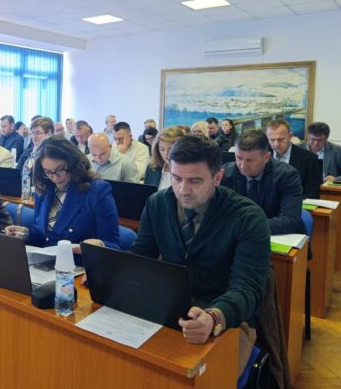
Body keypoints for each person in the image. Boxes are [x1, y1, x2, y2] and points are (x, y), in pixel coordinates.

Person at [130, 135, 269, 376]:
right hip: (169, 308)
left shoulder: (248, 217)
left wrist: (214, 317)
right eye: (176, 178)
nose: (183, 190)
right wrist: (109, 271)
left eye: (195, 180)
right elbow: (141, 256)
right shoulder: (157, 203)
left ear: (217, 177)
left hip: (227, 315)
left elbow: (248, 288)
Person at [5, 136, 120, 254]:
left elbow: (114, 246)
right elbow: (45, 238)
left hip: (78, 262)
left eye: (60, 169)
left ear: (74, 164)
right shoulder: (45, 188)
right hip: (46, 260)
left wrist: (99, 245)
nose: (54, 177)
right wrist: (26, 234)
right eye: (47, 172)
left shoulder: (96, 191)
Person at [221, 130, 304, 235]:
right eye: (239, 157)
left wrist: (244, 226)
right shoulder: (225, 172)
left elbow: (291, 220)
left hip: (275, 236)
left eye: (250, 160)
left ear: (266, 157)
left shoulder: (287, 175)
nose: (242, 165)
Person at [266, 119, 321, 199]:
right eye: (272, 140)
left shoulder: (309, 158)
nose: (276, 144)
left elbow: (312, 193)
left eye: (280, 139)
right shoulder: (261, 155)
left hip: (296, 204)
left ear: (290, 136)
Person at [144, 126, 186, 190]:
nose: (166, 154)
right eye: (162, 149)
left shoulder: (190, 169)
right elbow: (147, 194)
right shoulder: (152, 168)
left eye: (171, 149)